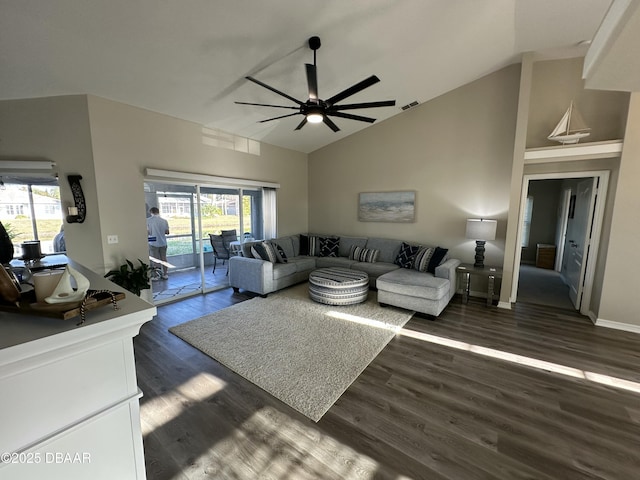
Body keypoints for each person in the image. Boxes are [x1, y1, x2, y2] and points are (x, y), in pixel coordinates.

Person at [146, 207, 170, 280]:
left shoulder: (148, 220)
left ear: (151, 212)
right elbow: (167, 232)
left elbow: (148, 232)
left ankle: (156, 276)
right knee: (164, 259)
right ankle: (165, 274)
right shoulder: (164, 221)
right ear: (158, 212)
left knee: (155, 260)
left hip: (153, 242)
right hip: (163, 242)